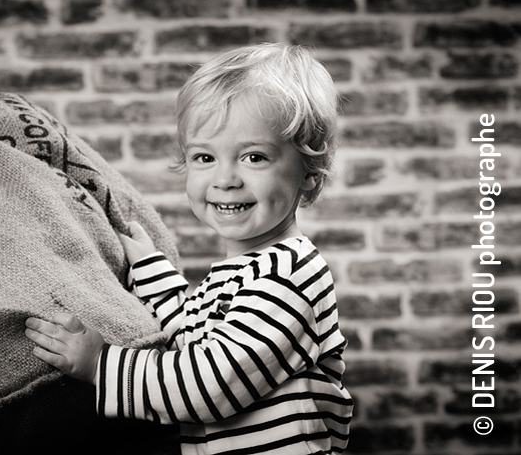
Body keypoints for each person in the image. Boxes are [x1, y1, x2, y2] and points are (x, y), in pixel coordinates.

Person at [25, 42, 353, 455]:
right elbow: (188, 332)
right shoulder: (244, 271)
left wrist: (100, 365)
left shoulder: (289, 276)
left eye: (253, 157)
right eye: (204, 157)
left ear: (309, 171)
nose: (225, 179)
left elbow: (208, 386)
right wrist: (146, 265)